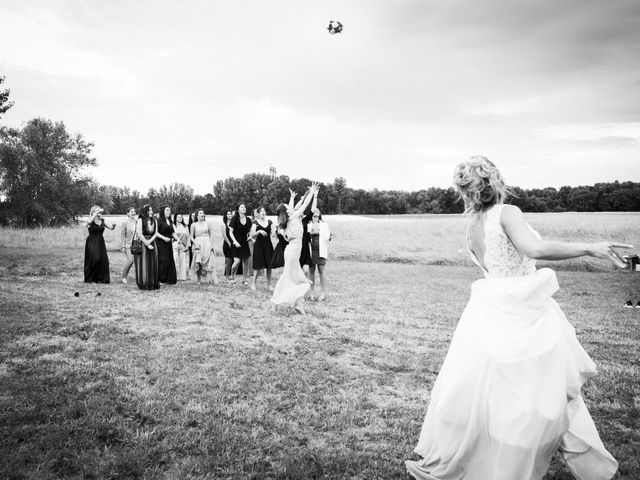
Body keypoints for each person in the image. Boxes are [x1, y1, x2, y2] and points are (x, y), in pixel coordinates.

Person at [405, 156, 627, 480]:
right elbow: (533, 249)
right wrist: (590, 248)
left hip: (491, 312)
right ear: (495, 181)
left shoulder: (472, 227)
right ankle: (590, 470)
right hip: (523, 314)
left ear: (466, 190)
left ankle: (591, 468)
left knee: (509, 400)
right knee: (553, 398)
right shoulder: (507, 213)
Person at [271, 183, 319, 315]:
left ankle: (297, 304)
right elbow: (305, 205)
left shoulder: (285, 223)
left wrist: (293, 198)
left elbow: (292, 206)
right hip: (292, 252)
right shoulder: (293, 217)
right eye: (288, 207)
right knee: (288, 277)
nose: (290, 207)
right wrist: (312, 192)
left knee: (296, 278)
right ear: (286, 211)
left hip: (292, 251)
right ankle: (276, 301)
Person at [84, 205, 115, 283]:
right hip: (92, 241)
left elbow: (111, 228)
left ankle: (102, 279)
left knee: (103, 260)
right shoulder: (90, 220)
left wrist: (113, 226)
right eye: (97, 210)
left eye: (99, 211)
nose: (99, 212)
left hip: (100, 242)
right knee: (94, 259)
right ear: (93, 211)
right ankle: (91, 279)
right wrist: (94, 214)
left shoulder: (102, 220)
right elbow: (88, 222)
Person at [307, 207, 333, 301]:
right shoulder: (308, 224)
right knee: (311, 271)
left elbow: (328, 236)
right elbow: (305, 236)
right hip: (311, 249)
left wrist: (330, 236)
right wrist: (312, 233)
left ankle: (323, 293)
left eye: (318, 211)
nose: (316, 212)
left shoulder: (324, 224)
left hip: (321, 249)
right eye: (314, 211)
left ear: (320, 214)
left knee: (321, 269)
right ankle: (311, 293)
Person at [134, 204, 160, 290]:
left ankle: (152, 282)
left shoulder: (154, 221)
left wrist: (150, 242)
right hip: (143, 243)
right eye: (149, 210)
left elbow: (155, 233)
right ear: (145, 211)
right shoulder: (141, 220)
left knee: (153, 262)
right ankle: (144, 283)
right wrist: (147, 244)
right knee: (144, 262)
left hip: (152, 242)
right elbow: (139, 233)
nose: (151, 212)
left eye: (151, 210)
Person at [250, 206, 275, 291]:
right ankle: (253, 283)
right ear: (258, 213)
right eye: (261, 211)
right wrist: (259, 231)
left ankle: (269, 285)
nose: (263, 212)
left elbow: (273, 233)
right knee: (257, 266)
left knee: (269, 266)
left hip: (268, 245)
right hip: (259, 246)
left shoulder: (269, 222)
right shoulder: (255, 222)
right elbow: (252, 235)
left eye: (264, 210)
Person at [189, 209, 216, 284]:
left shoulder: (208, 224)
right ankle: (198, 278)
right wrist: (195, 243)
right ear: (197, 215)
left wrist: (211, 245)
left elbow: (211, 234)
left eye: (203, 213)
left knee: (208, 260)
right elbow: (191, 236)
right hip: (198, 243)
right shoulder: (193, 225)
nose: (202, 214)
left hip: (207, 242)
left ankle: (208, 278)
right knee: (198, 261)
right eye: (200, 213)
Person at [228, 203, 252, 285]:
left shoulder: (248, 220)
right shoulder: (235, 218)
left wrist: (250, 237)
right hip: (236, 241)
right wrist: (234, 241)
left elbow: (249, 231)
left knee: (245, 261)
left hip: (245, 241)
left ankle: (244, 279)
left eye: (244, 207)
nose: (244, 208)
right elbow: (230, 232)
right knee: (237, 262)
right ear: (238, 210)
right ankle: (232, 276)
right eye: (242, 207)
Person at [156, 205, 179, 285]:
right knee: (163, 260)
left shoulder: (170, 221)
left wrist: (178, 239)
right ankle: (159, 279)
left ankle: (168, 279)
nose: (169, 212)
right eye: (167, 210)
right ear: (163, 211)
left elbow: (172, 232)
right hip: (160, 242)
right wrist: (163, 238)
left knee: (169, 260)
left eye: (169, 210)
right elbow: (155, 232)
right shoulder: (158, 220)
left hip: (169, 243)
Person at [173, 213, 198, 281]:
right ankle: (174, 276)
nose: (180, 218)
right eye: (178, 217)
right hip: (175, 244)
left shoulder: (185, 226)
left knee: (182, 261)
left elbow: (188, 236)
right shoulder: (173, 226)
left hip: (183, 245)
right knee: (175, 260)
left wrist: (187, 246)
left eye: (181, 217)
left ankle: (182, 277)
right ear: (175, 218)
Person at [221, 210, 234, 279]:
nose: (230, 215)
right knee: (228, 259)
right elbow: (224, 235)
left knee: (233, 259)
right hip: (227, 243)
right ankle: (227, 275)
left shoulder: (233, 224)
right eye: (228, 214)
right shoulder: (224, 225)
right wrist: (229, 243)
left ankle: (232, 274)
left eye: (231, 214)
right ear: (225, 216)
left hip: (233, 243)